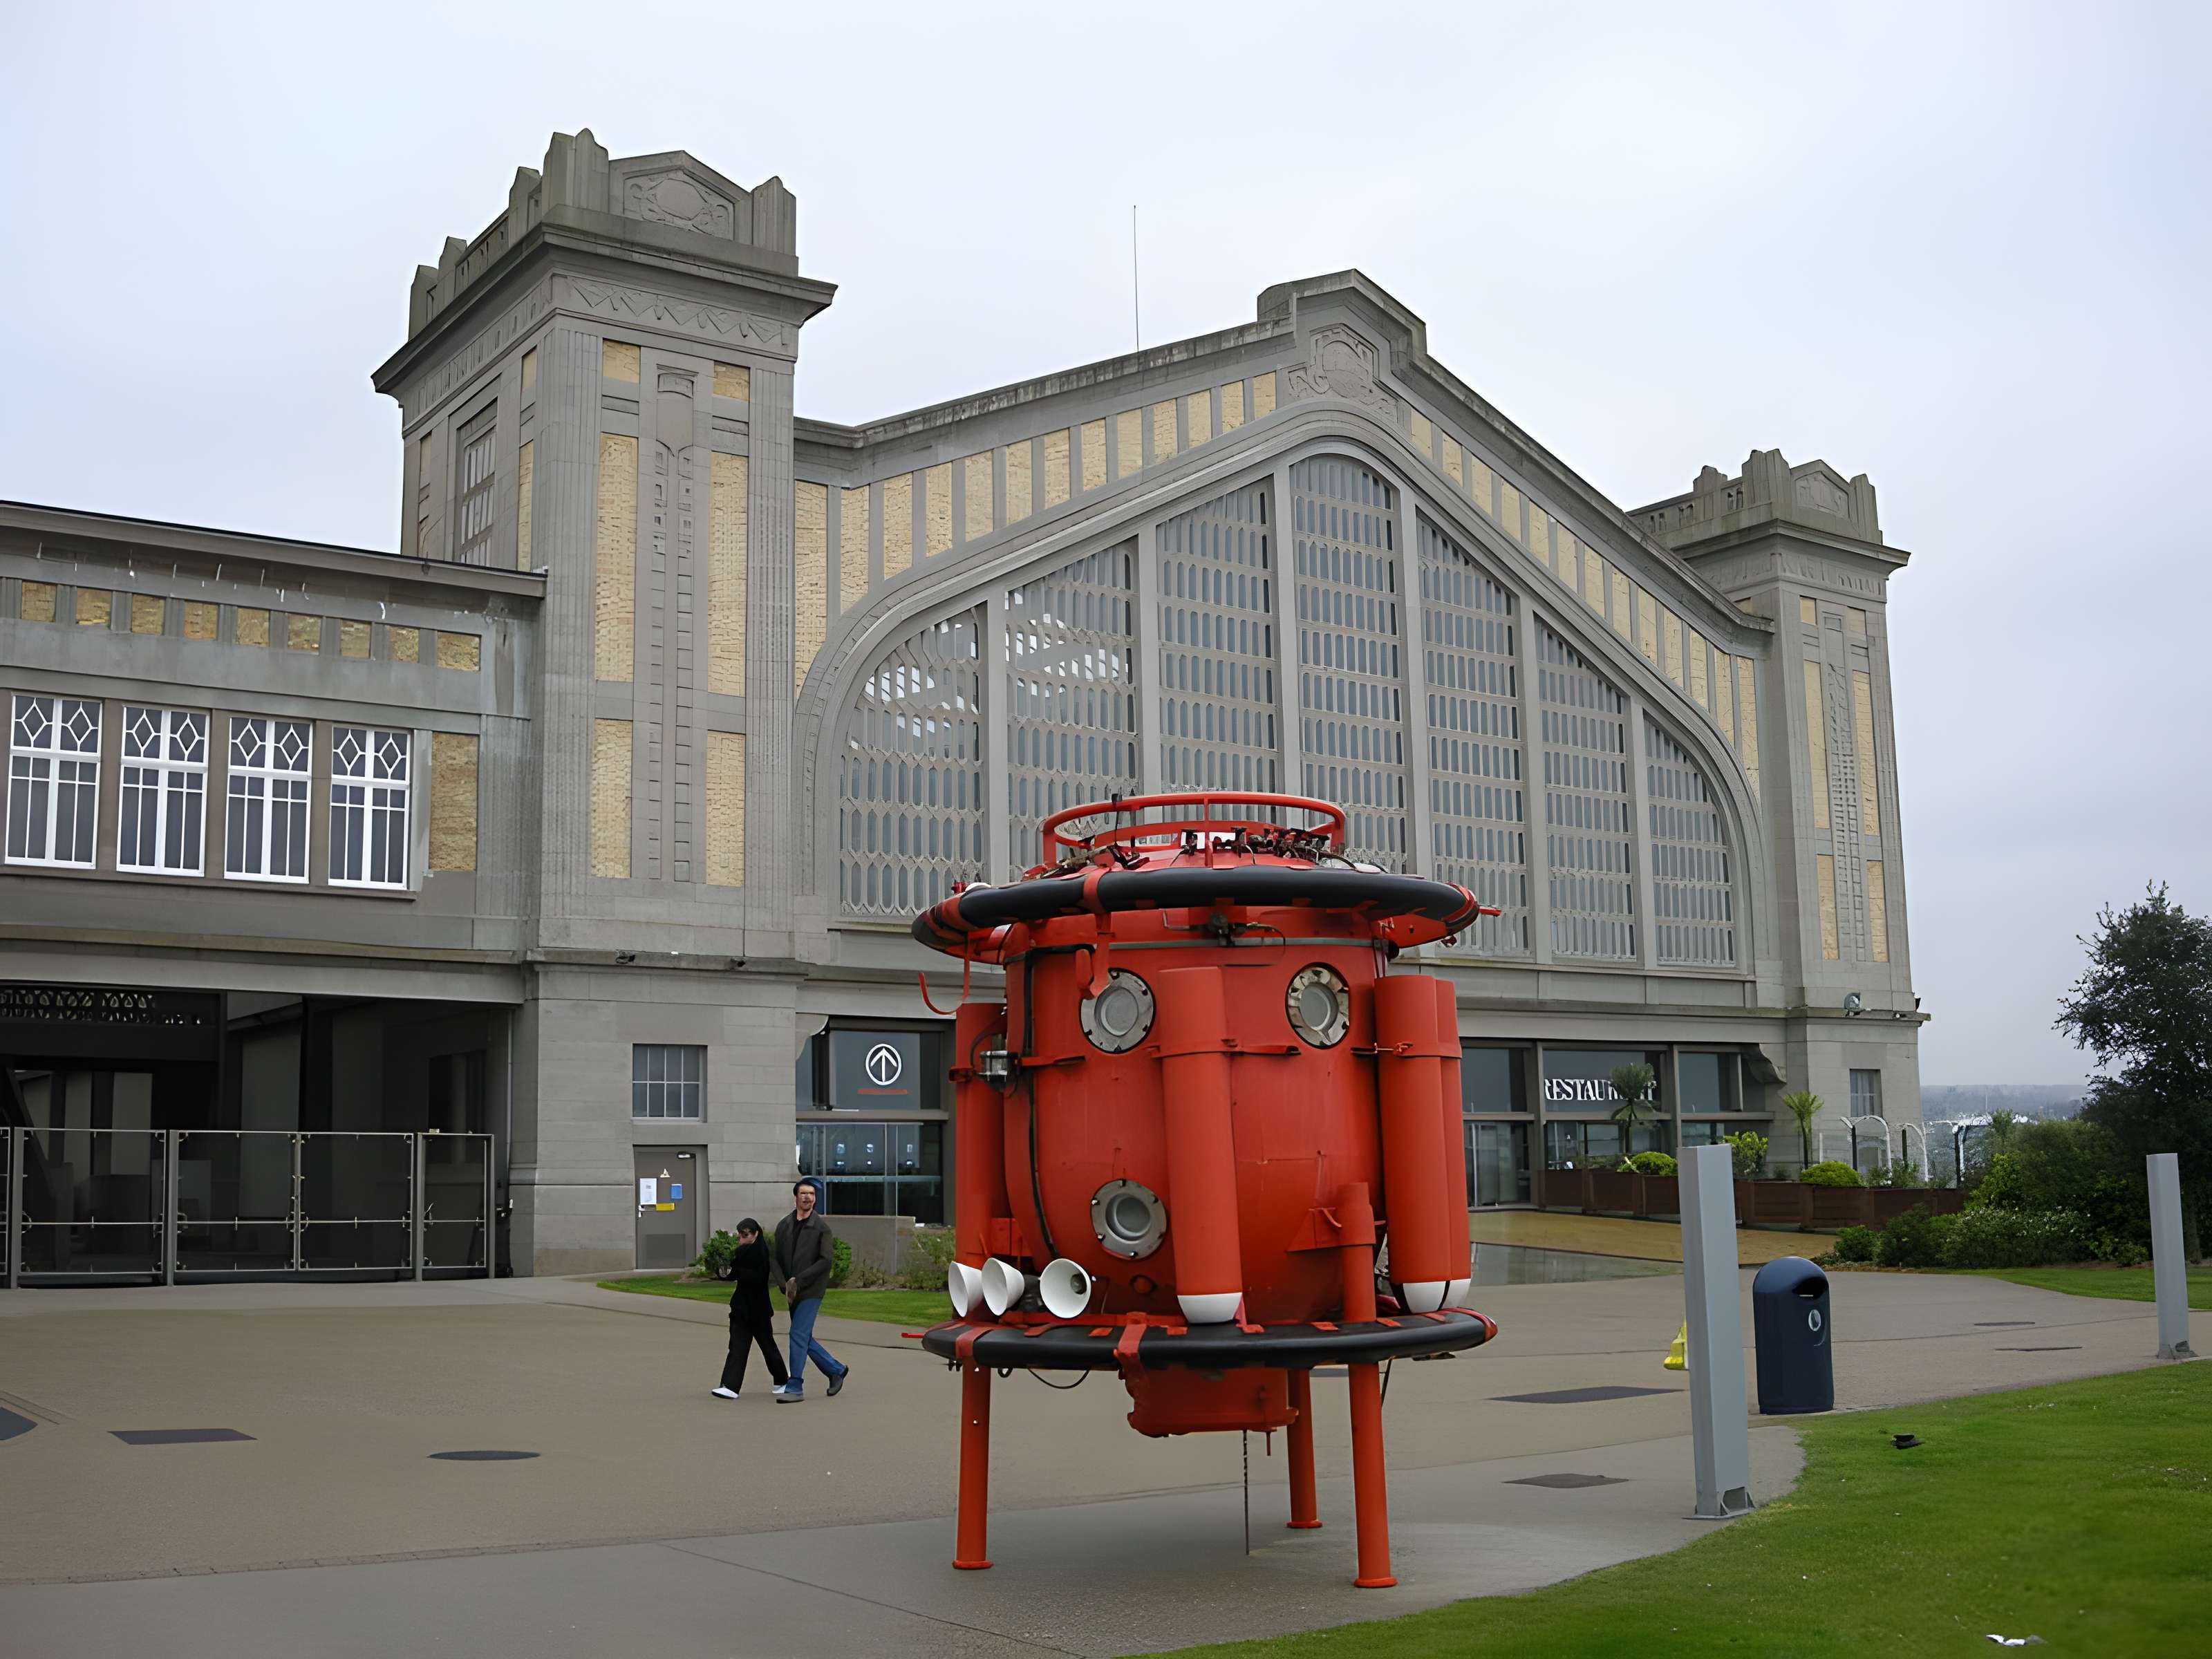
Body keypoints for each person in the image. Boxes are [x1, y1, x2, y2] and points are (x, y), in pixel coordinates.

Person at [771, 1179, 850, 1402]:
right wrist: (783, 1284)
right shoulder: (784, 1225)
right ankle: (835, 1370)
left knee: (797, 1334)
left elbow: (825, 1261)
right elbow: (775, 1259)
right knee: (803, 1337)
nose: (808, 1198)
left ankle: (795, 1386)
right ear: (795, 1197)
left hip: (811, 1290)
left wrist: (799, 1280)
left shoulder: (821, 1228)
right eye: (804, 1193)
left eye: (812, 1194)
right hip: (791, 1292)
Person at [711, 1219, 786, 1400]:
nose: (741, 1239)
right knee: (737, 1347)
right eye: (740, 1235)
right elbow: (733, 1275)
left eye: (745, 1235)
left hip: (759, 1310)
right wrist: (723, 1272)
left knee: (768, 1347)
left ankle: (782, 1380)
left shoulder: (762, 1254)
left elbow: (758, 1278)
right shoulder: (739, 1253)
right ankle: (730, 1386)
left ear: (755, 1234)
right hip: (741, 1308)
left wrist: (737, 1270)